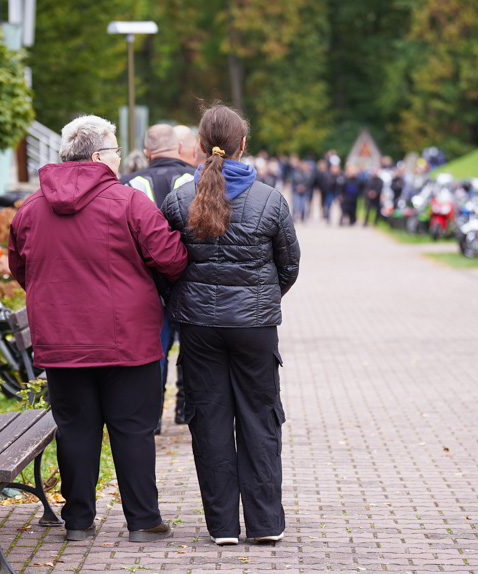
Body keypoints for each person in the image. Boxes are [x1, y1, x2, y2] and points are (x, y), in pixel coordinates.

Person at [8, 115, 187, 543]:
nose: (121, 160)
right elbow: (171, 258)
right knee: (133, 429)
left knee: (76, 428)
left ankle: (78, 520)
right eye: (116, 153)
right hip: (128, 339)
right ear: (98, 157)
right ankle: (143, 521)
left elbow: (20, 268)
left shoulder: (31, 210)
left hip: (62, 340)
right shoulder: (128, 202)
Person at [161, 104, 300, 546]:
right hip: (254, 329)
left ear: (200, 146)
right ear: (243, 144)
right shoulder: (270, 199)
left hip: (199, 327)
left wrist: (183, 299)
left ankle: (222, 527)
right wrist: (262, 299)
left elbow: (164, 263)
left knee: (211, 420)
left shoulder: (179, 200)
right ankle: (265, 524)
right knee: (261, 419)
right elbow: (289, 265)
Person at [120, 124, 198, 431]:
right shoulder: (197, 181)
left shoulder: (126, 184)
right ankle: (185, 409)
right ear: (179, 149)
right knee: (192, 349)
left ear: (147, 153)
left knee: (156, 351)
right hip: (192, 283)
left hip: (147, 286)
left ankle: (152, 419)